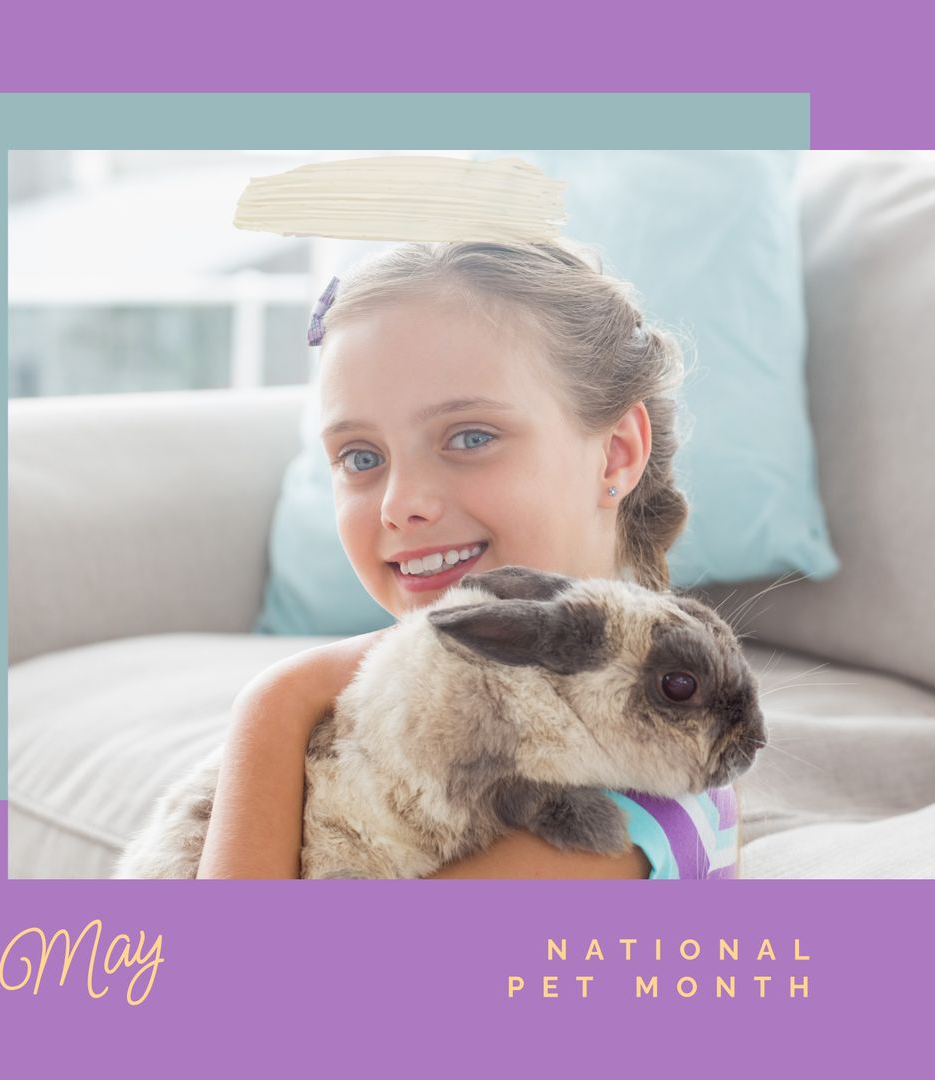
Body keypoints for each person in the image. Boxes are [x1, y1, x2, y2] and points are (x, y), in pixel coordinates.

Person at [197, 239, 738, 880]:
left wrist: (276, 703)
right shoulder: (397, 719)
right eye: (361, 458)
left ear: (616, 453)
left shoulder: (607, 828)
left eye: (470, 437)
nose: (401, 505)